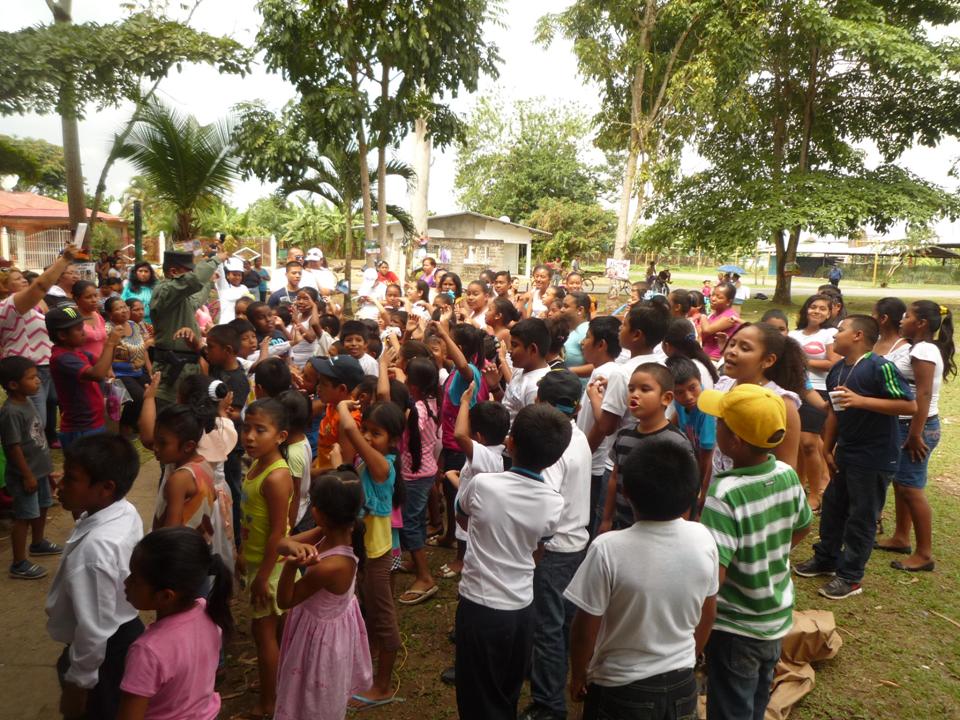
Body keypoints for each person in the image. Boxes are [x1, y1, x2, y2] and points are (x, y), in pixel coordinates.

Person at [566, 440, 718, 720]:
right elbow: (708, 614)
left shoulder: (607, 549)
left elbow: (584, 628)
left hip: (620, 688)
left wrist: (577, 674)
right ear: (693, 494)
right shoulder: (704, 539)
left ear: (626, 494)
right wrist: (688, 657)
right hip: (682, 685)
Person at [698, 384, 813, 720]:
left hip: (735, 626)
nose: (716, 426)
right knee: (757, 699)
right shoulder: (787, 474)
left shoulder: (724, 493)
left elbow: (714, 577)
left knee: (730, 708)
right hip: (775, 618)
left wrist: (696, 634)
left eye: (720, 422)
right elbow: (803, 525)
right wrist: (769, 554)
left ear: (734, 441)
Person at [454, 404, 569, 720]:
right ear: (554, 458)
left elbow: (462, 517)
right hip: (522, 609)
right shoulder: (554, 503)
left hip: (480, 606)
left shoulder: (483, 484)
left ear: (511, 442)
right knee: (508, 691)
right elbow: (538, 550)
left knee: (476, 697)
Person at [794, 315, 915, 599]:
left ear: (858, 335)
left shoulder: (880, 367)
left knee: (861, 516)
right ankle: (826, 558)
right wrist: (827, 448)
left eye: (841, 330)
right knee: (833, 508)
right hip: (846, 452)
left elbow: (909, 405)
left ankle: (850, 577)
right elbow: (834, 412)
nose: (835, 335)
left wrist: (862, 401)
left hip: (875, 455)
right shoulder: (838, 370)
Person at [46, 434, 145, 720]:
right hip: (119, 632)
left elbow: (93, 632)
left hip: (104, 652)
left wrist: (79, 684)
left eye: (71, 479)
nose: (60, 484)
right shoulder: (123, 510)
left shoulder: (94, 552)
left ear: (106, 488)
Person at [272, 473, 373, 720]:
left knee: (314, 700)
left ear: (317, 513)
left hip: (320, 642)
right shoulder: (330, 532)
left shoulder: (331, 566)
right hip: (322, 630)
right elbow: (280, 544)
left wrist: (291, 566)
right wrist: (293, 547)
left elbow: (285, 601)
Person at [524, 370, 593, 720]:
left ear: (540, 403)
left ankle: (549, 705)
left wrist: (536, 548)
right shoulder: (578, 436)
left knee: (546, 628)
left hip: (554, 549)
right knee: (562, 623)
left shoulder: (554, 447)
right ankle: (551, 676)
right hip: (576, 543)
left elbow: (546, 505)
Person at [117, 527, 233, 720]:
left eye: (135, 579)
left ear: (166, 596)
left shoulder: (147, 651)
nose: (126, 582)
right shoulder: (208, 611)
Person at [875, 301, 954, 571]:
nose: (901, 319)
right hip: (907, 425)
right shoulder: (915, 347)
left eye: (907, 316)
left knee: (911, 488)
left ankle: (924, 554)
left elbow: (924, 393)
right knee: (901, 483)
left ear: (921, 323)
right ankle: (901, 537)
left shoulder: (924, 350)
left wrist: (915, 434)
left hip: (916, 427)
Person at [338, 400, 404, 709]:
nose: (366, 436)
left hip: (377, 554)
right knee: (369, 609)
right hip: (365, 552)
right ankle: (372, 654)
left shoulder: (382, 466)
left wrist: (341, 405)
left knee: (383, 617)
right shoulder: (368, 461)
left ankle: (383, 685)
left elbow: (348, 429)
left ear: (393, 440)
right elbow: (348, 436)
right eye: (365, 429)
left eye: (375, 433)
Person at [239, 398, 294, 718]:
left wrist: (262, 576)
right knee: (276, 631)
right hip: (259, 561)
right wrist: (242, 554)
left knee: (264, 634)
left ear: (280, 436)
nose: (249, 436)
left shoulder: (276, 476)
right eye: (246, 428)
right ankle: (281, 685)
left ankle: (269, 702)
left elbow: (278, 531)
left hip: (270, 567)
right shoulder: (256, 465)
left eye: (260, 430)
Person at [0, 247, 81, 449]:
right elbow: (40, 285)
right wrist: (64, 260)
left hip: (45, 365)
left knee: (48, 410)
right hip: (27, 369)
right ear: (4, 287)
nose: (23, 280)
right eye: (17, 279)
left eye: (23, 277)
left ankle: (41, 449)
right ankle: (29, 459)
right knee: (35, 423)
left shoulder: (31, 306)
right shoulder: (8, 306)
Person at [600, 363, 696, 532]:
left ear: (666, 398)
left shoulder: (676, 442)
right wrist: (607, 519)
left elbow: (687, 492)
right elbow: (615, 478)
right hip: (623, 526)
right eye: (631, 389)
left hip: (659, 531)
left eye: (645, 389)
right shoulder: (624, 435)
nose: (635, 394)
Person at [711, 323, 805, 476]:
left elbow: (786, 466)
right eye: (732, 344)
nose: (732, 351)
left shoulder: (781, 402)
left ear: (768, 360)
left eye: (745, 348)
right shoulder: (723, 386)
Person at [385, 356, 441, 605]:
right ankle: (416, 562)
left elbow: (410, 425)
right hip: (426, 471)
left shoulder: (417, 410)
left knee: (409, 523)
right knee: (415, 520)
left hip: (415, 475)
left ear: (414, 386)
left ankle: (425, 577)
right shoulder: (432, 400)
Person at [0, 357, 59, 580]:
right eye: (32, 378)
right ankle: (18, 563)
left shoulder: (26, 401)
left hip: (39, 471)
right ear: (13, 384)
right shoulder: (10, 412)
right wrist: (27, 475)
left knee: (43, 506)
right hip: (25, 475)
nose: (38, 381)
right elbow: (13, 447)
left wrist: (46, 468)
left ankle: (38, 542)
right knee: (24, 516)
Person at [151, 247, 228, 405]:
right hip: (171, 370)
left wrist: (209, 282)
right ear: (173, 272)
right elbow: (194, 280)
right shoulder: (165, 291)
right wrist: (215, 259)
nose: (192, 274)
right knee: (169, 412)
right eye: (188, 271)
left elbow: (196, 299)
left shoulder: (179, 296)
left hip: (189, 368)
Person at [48, 306, 123, 448]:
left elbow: (103, 366)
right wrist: (110, 343)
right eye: (78, 329)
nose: (84, 332)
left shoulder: (78, 352)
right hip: (80, 428)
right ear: (62, 335)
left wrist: (113, 346)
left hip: (93, 423)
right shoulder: (62, 358)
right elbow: (98, 374)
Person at [578, 316, 622, 537]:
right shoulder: (601, 371)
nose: (582, 342)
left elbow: (601, 425)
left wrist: (583, 455)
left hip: (593, 464)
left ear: (601, 344)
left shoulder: (606, 374)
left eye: (587, 337)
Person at [149, 405, 219, 537]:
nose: (155, 448)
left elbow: (171, 533)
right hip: (197, 544)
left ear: (188, 446)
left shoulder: (179, 480)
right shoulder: (204, 464)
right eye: (155, 440)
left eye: (162, 443)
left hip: (176, 547)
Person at [667, 356, 716, 516]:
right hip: (694, 460)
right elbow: (674, 421)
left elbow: (706, 458)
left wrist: (699, 490)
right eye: (680, 392)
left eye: (692, 388)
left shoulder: (706, 409)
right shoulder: (680, 403)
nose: (688, 396)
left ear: (700, 381)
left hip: (710, 469)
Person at [105, 297, 151, 436]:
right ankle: (124, 430)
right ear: (110, 313)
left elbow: (143, 349)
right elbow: (106, 351)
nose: (124, 310)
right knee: (138, 397)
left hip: (138, 370)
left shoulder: (133, 325)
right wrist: (109, 371)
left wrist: (149, 369)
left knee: (151, 394)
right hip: (120, 373)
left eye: (124, 307)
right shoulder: (108, 329)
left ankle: (137, 425)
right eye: (118, 308)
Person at [494, 318, 550, 425]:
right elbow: (511, 403)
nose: (509, 350)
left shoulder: (536, 387)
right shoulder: (522, 369)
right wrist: (494, 387)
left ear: (533, 349)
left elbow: (531, 429)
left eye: (515, 345)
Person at [701, 282, 741, 362]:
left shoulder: (730, 317)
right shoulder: (714, 315)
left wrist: (702, 316)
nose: (713, 299)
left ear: (729, 302)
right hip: (705, 356)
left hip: (716, 359)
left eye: (719, 297)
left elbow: (706, 330)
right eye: (712, 295)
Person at [71, 280, 108, 360]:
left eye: (96, 296)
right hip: (81, 364)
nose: (94, 300)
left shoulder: (98, 317)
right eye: (88, 297)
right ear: (76, 299)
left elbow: (104, 343)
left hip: (101, 365)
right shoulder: (72, 318)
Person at [561, 292, 592, 383]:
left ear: (580, 310)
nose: (561, 309)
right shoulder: (567, 329)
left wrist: (563, 372)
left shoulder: (586, 331)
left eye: (566, 306)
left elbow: (595, 365)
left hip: (578, 387)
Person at [215, 256, 254, 325]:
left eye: (239, 275)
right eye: (234, 275)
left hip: (242, 324)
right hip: (226, 324)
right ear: (227, 275)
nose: (237, 277)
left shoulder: (244, 288)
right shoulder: (224, 287)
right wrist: (220, 259)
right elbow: (219, 271)